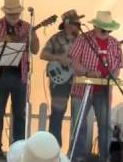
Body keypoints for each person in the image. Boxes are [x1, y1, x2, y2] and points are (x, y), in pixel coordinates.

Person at [0, 0, 39, 158]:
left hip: (20, 76)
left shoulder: (26, 26)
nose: (14, 17)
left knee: (19, 114)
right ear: (5, 13)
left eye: (16, 14)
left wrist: (33, 35)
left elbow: (36, 50)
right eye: (10, 14)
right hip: (0, 75)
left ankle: (18, 150)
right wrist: (3, 41)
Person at [69, 11, 123, 161]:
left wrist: (113, 75)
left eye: (109, 29)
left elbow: (118, 66)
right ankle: (76, 158)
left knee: (106, 126)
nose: (107, 32)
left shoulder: (115, 43)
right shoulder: (83, 39)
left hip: (104, 91)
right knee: (79, 125)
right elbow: (73, 62)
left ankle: (105, 158)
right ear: (96, 26)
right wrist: (87, 72)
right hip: (82, 90)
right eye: (103, 29)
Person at [40, 9, 84, 145]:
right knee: (57, 114)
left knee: (78, 116)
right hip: (60, 81)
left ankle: (74, 151)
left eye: (78, 23)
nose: (77, 25)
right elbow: (43, 54)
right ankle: (54, 148)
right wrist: (59, 58)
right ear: (66, 24)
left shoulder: (83, 40)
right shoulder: (56, 38)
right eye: (74, 22)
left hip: (78, 80)